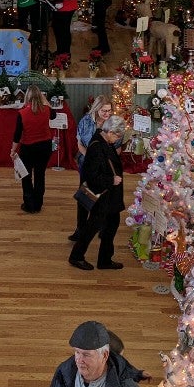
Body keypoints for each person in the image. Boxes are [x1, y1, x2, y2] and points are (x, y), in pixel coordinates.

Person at [69, 116, 127, 271]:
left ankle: (105, 260)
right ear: (110, 131)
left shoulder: (104, 142)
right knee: (92, 227)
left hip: (109, 197)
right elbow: (92, 176)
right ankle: (76, 257)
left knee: (111, 225)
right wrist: (111, 180)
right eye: (117, 136)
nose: (117, 139)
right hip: (103, 196)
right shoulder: (97, 147)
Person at [47, 321, 145, 387]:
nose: (79, 360)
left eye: (86, 355)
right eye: (77, 352)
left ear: (105, 355)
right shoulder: (63, 371)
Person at [69, 97, 114, 242]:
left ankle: (102, 227)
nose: (107, 114)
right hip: (87, 164)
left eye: (109, 110)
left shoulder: (113, 123)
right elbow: (79, 142)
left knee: (104, 198)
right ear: (96, 109)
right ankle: (80, 229)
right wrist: (89, 157)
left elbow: (116, 147)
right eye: (104, 111)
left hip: (105, 167)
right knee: (84, 196)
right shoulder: (85, 121)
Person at [10, 84, 55, 213]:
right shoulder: (46, 110)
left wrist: (13, 150)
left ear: (27, 97)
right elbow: (54, 115)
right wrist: (45, 100)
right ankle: (38, 204)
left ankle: (29, 204)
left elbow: (17, 135)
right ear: (40, 96)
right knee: (40, 175)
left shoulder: (22, 113)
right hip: (45, 147)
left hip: (28, 148)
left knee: (26, 176)